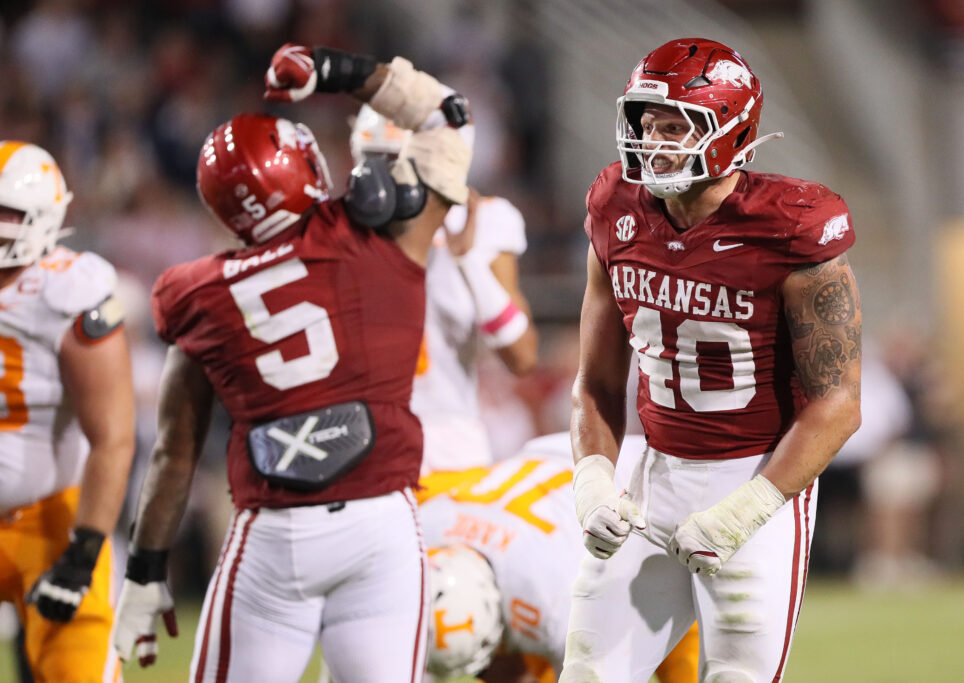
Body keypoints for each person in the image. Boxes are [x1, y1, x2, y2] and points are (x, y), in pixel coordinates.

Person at [110, 43, 473, 682]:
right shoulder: (379, 236)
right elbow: (447, 115)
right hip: (381, 523)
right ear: (301, 165)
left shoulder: (196, 293)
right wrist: (331, 71)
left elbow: (174, 450)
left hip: (276, 535)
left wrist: (143, 574)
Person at [563, 38, 862, 682]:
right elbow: (598, 383)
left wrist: (744, 512)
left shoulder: (792, 223)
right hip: (650, 475)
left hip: (756, 479)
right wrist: (592, 476)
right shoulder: (615, 207)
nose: (654, 141)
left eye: (676, 125)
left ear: (731, 129)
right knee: (587, 674)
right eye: (648, 121)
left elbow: (839, 403)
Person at [0, 141, 135, 682]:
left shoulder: (66, 288)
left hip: (50, 519)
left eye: (5, 211)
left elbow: (113, 437)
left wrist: (83, 552)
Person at [417, 432, 698, 683]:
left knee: (691, 664)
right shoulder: (426, 523)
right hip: (563, 456)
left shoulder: (557, 603)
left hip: (667, 494)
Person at [349, 105, 538, 473]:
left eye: (397, 160)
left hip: (449, 441)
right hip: (363, 437)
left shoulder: (480, 221)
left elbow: (523, 357)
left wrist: (468, 261)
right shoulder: (339, 230)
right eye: (375, 159)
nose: (384, 175)